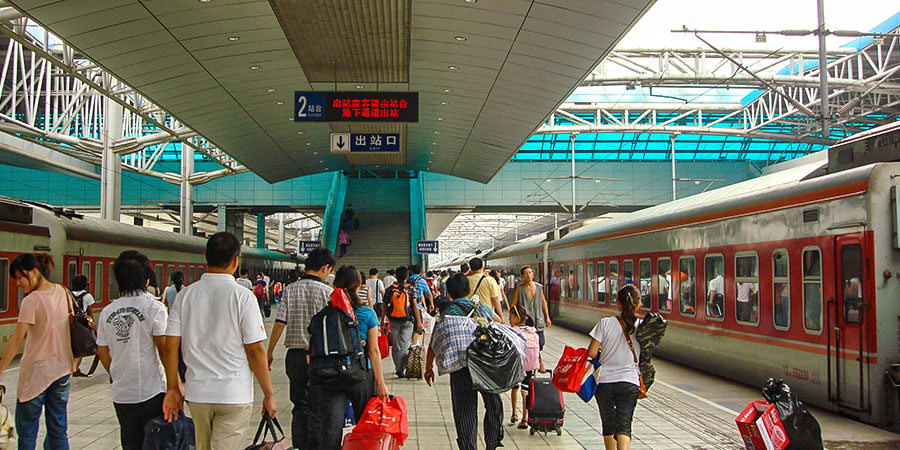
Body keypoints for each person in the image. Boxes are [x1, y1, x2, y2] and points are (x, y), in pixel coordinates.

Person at [162, 232, 276, 450]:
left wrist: (172, 388)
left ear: (206, 256)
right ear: (236, 260)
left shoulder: (185, 296)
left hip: (198, 394)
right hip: (234, 393)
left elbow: (170, 345)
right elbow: (255, 351)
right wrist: (268, 394)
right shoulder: (243, 296)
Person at [307, 266, 389, 450]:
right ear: (358, 284)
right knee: (364, 425)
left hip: (330, 376)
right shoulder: (367, 313)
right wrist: (380, 382)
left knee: (331, 428)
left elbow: (311, 347)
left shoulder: (325, 313)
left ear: (335, 284)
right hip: (360, 375)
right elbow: (373, 351)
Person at [96, 250, 169, 450]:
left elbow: (102, 352)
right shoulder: (154, 308)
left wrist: (117, 372)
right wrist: (174, 384)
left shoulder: (107, 312)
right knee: (156, 443)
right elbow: (164, 350)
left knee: (130, 442)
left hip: (122, 393)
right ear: (146, 280)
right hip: (152, 390)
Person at [0, 253, 74, 450]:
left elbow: (17, 339)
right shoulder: (63, 291)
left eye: (20, 277)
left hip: (36, 374)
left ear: (34, 272)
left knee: (27, 431)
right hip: (62, 371)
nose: (18, 283)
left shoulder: (31, 301)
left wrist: (0, 369)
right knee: (58, 429)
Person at [424, 273, 503, 450]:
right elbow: (498, 323)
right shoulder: (481, 308)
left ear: (449, 294)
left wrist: (428, 368)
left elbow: (433, 345)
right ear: (468, 290)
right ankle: (492, 442)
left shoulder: (445, 315)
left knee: (465, 412)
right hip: (484, 367)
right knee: (493, 402)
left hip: (460, 369)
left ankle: (468, 447)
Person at [267, 248, 335, 449]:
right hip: (319, 357)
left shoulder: (290, 289)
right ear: (324, 268)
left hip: (295, 356)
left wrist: (269, 352)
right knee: (319, 405)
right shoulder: (328, 292)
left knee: (299, 405)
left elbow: (280, 323)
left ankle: (299, 445)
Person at [586, 285, 643, 450]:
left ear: (617, 303)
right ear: (638, 305)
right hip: (630, 381)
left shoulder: (605, 323)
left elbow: (591, 352)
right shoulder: (642, 326)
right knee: (624, 425)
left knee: (608, 423)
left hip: (605, 382)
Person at [381, 266, 422, 378]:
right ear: (407, 277)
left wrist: (382, 320)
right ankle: (401, 368)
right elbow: (415, 306)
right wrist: (419, 322)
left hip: (393, 320)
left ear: (395, 276)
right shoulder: (411, 289)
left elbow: (384, 306)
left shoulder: (390, 289)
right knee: (404, 344)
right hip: (407, 321)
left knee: (396, 345)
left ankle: (398, 367)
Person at [508, 304, 542, 429]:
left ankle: (514, 413)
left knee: (515, 387)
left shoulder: (513, 331)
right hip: (531, 365)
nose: (509, 320)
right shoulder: (533, 330)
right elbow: (538, 349)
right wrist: (541, 364)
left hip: (517, 365)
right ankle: (525, 418)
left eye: (511, 317)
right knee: (526, 391)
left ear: (517, 318)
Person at [510, 266, 551, 356]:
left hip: (538, 319)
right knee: (527, 342)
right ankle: (533, 360)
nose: (529, 275)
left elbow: (543, 302)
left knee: (541, 342)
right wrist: (513, 319)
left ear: (533, 274)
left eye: (530, 272)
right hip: (524, 321)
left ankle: (537, 359)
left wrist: (547, 317)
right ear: (522, 276)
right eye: (526, 273)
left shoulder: (539, 287)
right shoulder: (519, 289)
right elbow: (513, 304)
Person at [70, 274, 99, 378]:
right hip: (82, 324)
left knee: (71, 346)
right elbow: (90, 312)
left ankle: (74, 368)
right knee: (81, 347)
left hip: (70, 323)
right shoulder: (87, 296)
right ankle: (74, 368)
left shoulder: (69, 294)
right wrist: (93, 325)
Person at [466, 257, 505, 323]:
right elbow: (495, 300)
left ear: (470, 268)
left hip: (471, 317)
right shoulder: (490, 280)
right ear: (482, 267)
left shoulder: (466, 280)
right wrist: (501, 316)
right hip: (487, 317)